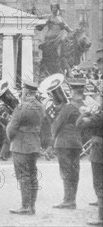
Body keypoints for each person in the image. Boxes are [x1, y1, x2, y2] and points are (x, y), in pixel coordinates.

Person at [7, 81, 46, 215]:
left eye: (23, 91)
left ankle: (25, 206)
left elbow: (11, 128)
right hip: (34, 143)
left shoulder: (21, 107)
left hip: (20, 145)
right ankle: (32, 206)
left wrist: (11, 138)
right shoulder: (41, 106)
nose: (21, 93)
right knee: (33, 175)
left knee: (23, 176)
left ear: (27, 92)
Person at [51, 79, 87, 209]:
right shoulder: (83, 106)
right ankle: (72, 200)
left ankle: (68, 201)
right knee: (74, 171)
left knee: (66, 172)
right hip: (76, 143)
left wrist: (51, 139)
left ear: (73, 91)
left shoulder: (68, 107)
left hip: (64, 143)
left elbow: (57, 124)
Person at [77, 91, 102, 226]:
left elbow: (79, 124)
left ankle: (101, 217)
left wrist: (86, 112)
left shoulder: (98, 117)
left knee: (99, 185)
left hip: (99, 152)